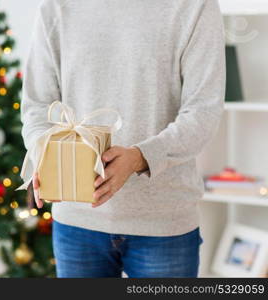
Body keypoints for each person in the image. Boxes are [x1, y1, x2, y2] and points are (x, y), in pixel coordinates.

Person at [20, 0, 226, 278]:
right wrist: (43, 154)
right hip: (76, 223)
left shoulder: (195, 6)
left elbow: (203, 112)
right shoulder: (57, 7)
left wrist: (141, 157)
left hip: (164, 223)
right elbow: (37, 104)